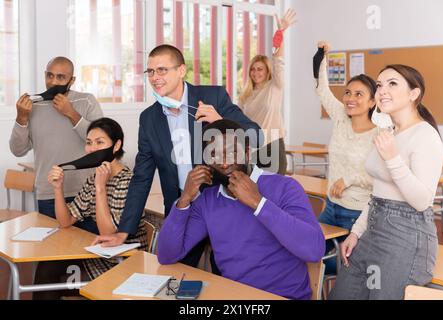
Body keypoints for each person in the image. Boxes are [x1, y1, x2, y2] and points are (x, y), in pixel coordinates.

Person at [91, 45, 261, 274]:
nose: (155, 78)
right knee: (174, 273)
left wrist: (220, 120)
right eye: (150, 72)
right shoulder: (150, 118)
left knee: (225, 273)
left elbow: (255, 134)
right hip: (182, 206)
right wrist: (124, 231)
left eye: (162, 70)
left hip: (222, 204)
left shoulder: (213, 97)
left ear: (181, 70)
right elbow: (142, 177)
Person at [157, 119, 325, 300]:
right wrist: (185, 199)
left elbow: (314, 250)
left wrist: (257, 202)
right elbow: (167, 255)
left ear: (246, 153)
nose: (223, 163)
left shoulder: (285, 187)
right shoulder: (208, 200)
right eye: (213, 154)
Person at [330, 65, 443, 300]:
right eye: (380, 84)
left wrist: (393, 159)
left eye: (392, 83)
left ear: (414, 93)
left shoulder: (425, 135)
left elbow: (422, 201)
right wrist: (356, 232)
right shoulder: (389, 132)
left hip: (405, 237)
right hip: (372, 229)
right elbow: (378, 194)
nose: (382, 90)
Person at [33, 117, 148, 300]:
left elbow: (109, 234)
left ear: (116, 146)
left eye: (99, 142)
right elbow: (66, 221)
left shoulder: (128, 182)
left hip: (120, 263)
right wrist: (57, 187)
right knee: (48, 267)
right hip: (97, 255)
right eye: (89, 143)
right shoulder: (94, 177)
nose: (92, 148)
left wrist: (100, 188)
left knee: (48, 278)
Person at [9, 56, 103, 233]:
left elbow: (101, 143)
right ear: (45, 75)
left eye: (61, 77)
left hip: (86, 193)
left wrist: (71, 113)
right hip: (48, 194)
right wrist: (21, 117)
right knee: (52, 253)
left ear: (72, 80)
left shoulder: (87, 101)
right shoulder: (33, 107)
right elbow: (17, 150)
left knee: (88, 253)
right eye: (50, 76)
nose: (53, 82)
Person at [314, 42, 377, 274]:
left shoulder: (380, 135)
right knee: (313, 258)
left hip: (357, 212)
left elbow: (382, 178)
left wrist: (349, 179)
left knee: (348, 270)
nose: (350, 98)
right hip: (331, 206)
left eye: (359, 94)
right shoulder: (341, 118)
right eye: (348, 93)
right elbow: (322, 89)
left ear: (373, 102)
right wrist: (323, 56)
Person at [238, 9, 296, 175]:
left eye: (260, 69)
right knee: (254, 193)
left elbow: (279, 61)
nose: (256, 73)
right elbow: (239, 121)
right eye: (253, 69)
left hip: (273, 146)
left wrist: (281, 33)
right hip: (252, 149)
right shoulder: (245, 95)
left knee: (274, 192)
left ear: (267, 71)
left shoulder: (274, 86)